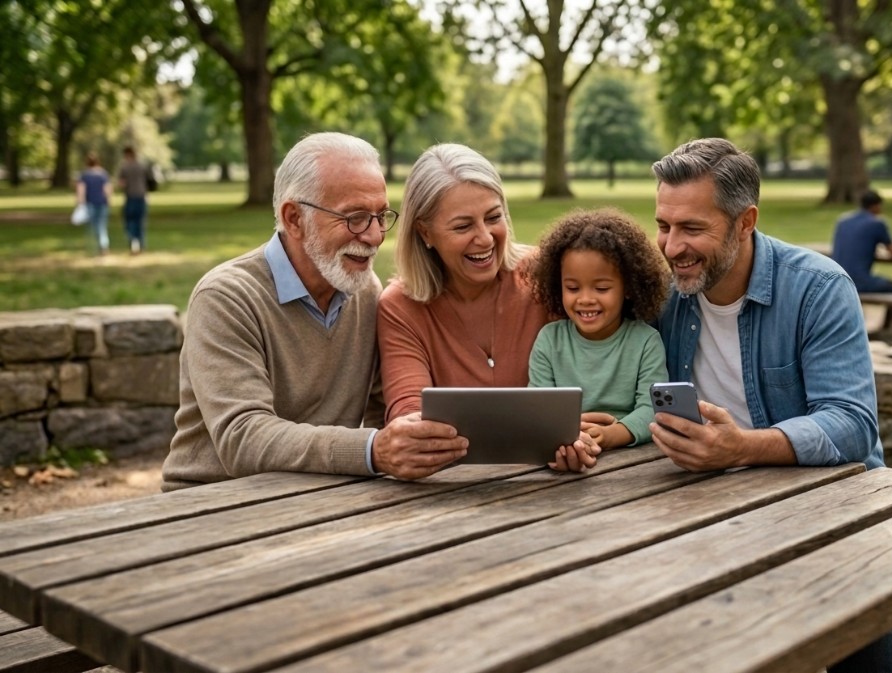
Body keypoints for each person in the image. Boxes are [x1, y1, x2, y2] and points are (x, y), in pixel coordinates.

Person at [649, 138, 892, 673]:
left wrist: (739, 447)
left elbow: (852, 424)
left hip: (830, 505)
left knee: (868, 644)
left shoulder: (818, 287)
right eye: (664, 226)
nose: (672, 247)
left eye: (692, 228)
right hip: (706, 509)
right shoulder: (665, 292)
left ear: (745, 222)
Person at [163, 132, 469, 491]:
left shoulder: (366, 291)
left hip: (320, 495)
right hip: (211, 502)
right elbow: (241, 437)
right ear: (294, 218)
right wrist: (372, 450)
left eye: (381, 216)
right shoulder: (226, 297)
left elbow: (379, 409)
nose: (373, 236)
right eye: (355, 218)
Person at [377, 142, 598, 471]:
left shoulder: (545, 275)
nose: (484, 238)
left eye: (493, 217)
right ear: (425, 232)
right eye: (463, 226)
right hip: (451, 489)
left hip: (552, 483)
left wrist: (581, 434)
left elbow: (597, 368)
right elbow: (408, 413)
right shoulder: (400, 307)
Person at [527, 207, 669, 450]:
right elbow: (537, 408)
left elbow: (653, 407)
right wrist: (570, 430)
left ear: (628, 288)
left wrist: (614, 434)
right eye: (572, 288)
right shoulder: (550, 340)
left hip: (632, 457)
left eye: (601, 289)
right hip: (567, 446)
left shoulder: (645, 341)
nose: (585, 299)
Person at [831, 189, 892, 293]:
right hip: (859, 282)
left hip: (837, 279)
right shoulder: (876, 223)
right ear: (877, 206)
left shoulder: (843, 221)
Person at [76, 152, 112, 256]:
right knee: (102, 225)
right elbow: (107, 189)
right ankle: (103, 246)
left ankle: (95, 248)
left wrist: (80, 203)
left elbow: (81, 190)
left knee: (93, 226)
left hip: (90, 203)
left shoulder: (85, 175)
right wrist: (108, 200)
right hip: (102, 203)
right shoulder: (103, 174)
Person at [118, 146, 149, 254]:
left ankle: (133, 244)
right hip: (142, 196)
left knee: (130, 222)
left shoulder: (125, 167)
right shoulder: (142, 166)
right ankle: (142, 245)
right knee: (140, 222)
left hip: (131, 197)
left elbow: (122, 184)